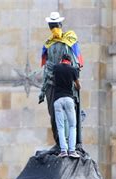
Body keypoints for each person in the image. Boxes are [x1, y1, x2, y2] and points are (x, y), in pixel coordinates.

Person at [39, 11, 84, 150]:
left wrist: (72, 78)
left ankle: (71, 145)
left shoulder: (70, 41)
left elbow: (76, 62)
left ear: (60, 24)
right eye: (51, 25)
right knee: (54, 116)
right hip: (52, 85)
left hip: (66, 85)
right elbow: (46, 65)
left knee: (69, 118)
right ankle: (60, 144)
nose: (54, 28)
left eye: (56, 25)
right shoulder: (48, 45)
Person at [52, 53, 81, 158]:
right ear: (70, 61)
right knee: (72, 125)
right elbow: (79, 86)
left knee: (60, 127)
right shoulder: (73, 70)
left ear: (62, 60)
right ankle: (72, 150)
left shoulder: (56, 68)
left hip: (57, 100)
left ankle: (63, 150)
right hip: (68, 99)